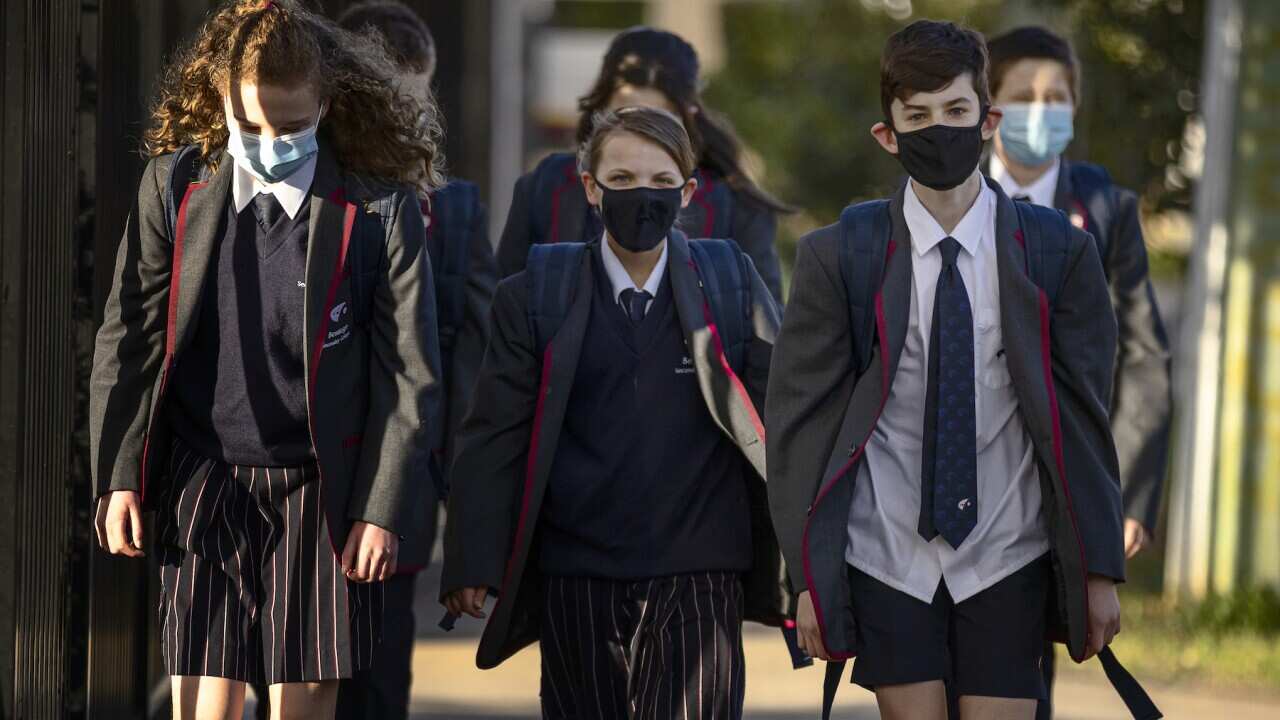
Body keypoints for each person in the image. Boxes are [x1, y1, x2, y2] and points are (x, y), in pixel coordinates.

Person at [89, 1, 443, 718]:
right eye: (249, 124)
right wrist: (120, 475)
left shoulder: (379, 211)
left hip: (319, 487)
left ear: (327, 106)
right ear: (221, 98)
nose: (269, 142)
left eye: (291, 127)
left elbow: (410, 371)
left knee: (302, 704)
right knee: (203, 701)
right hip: (206, 472)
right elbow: (131, 334)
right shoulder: (175, 185)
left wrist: (381, 510)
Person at [766, 20, 1126, 720]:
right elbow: (800, 427)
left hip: (1006, 550)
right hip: (887, 551)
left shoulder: (1058, 255)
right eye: (918, 117)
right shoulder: (840, 256)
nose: (940, 130)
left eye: (957, 112)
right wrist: (807, 577)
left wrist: (1100, 569)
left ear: (988, 120)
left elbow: (1083, 420)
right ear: (888, 134)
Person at [441, 106, 790, 719]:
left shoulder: (727, 281)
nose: (641, 196)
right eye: (622, 180)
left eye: (660, 182)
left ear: (687, 191)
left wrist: (809, 571)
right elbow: (495, 431)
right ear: (589, 188)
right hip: (579, 577)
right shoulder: (534, 296)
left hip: (700, 576)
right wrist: (473, 556)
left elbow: (784, 417)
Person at [984, 25, 1174, 720]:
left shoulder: (1106, 210)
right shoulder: (948, 190)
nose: (1042, 110)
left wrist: (1118, 498)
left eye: (1057, 96)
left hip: (1059, 488)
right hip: (962, 475)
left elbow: (1146, 356)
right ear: (988, 109)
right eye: (1024, 95)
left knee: (1026, 681)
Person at [332, 3, 499, 718]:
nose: (404, 112)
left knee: (379, 660)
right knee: (301, 659)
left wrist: (454, 482)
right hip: (315, 459)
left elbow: (473, 355)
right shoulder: (318, 190)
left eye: (416, 94)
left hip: (405, 471)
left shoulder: (453, 209)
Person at [496, 26, 788, 304]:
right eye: (625, 114)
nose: (641, 136)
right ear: (601, 110)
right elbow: (504, 305)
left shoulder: (739, 209)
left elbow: (764, 330)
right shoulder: (545, 187)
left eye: (660, 121)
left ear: (689, 116)